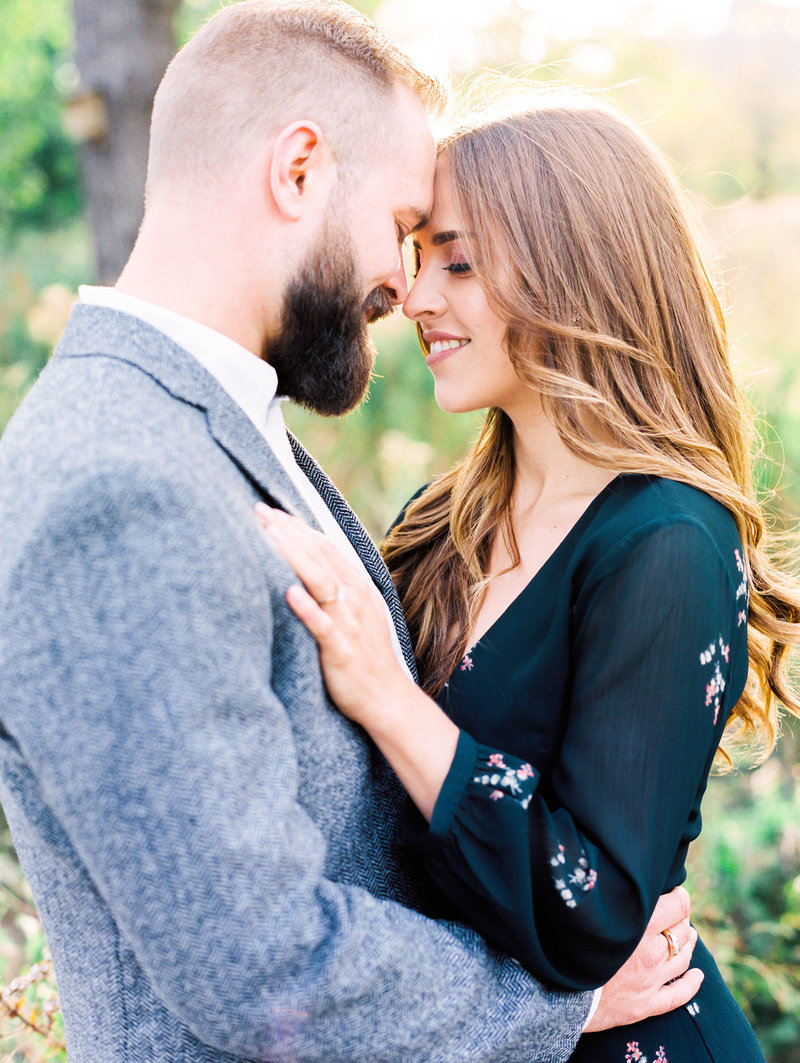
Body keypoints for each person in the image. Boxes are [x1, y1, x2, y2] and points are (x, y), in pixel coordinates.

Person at [0, 5, 698, 1061]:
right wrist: (558, 1006)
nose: (401, 283)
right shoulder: (118, 484)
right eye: (403, 224)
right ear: (298, 172)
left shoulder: (207, 424)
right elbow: (259, 961)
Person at [257, 96, 800, 1063]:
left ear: (573, 269)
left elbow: (592, 910)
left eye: (457, 261)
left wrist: (390, 698)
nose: (418, 299)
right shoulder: (441, 520)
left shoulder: (667, 539)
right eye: (419, 256)